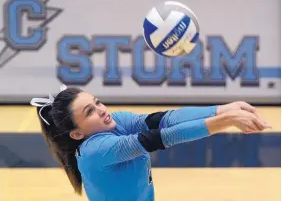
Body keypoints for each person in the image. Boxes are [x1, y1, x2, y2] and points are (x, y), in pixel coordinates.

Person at [30, 85, 271, 201]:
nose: (102, 110)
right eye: (90, 111)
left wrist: (220, 109)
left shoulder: (117, 122)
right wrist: (225, 120)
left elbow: (164, 120)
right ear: (76, 134)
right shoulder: (96, 150)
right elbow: (162, 138)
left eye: (98, 102)